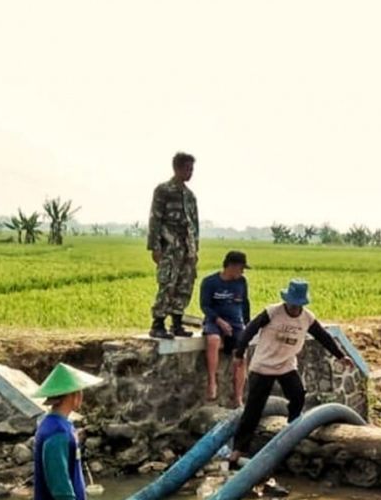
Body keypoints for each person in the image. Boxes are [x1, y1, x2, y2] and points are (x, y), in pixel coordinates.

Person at [228, 279, 354, 462]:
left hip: (286, 364)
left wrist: (340, 356)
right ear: (287, 300)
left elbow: (323, 336)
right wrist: (239, 353)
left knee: (298, 395)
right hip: (264, 365)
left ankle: (291, 430)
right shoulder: (272, 312)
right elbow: (250, 330)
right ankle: (239, 449)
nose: (295, 308)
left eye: (298, 305)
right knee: (253, 410)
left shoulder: (307, 318)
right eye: (292, 304)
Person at [32, 363, 104, 500]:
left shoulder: (63, 426)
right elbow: (59, 481)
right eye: (79, 392)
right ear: (73, 396)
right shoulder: (55, 432)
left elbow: (72, 475)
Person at [147, 151, 199, 340]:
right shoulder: (163, 190)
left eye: (192, 169)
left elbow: (195, 224)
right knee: (167, 283)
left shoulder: (190, 196)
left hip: (187, 248)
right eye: (187, 169)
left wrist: (195, 249)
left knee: (185, 284)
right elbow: (155, 219)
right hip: (170, 246)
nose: (190, 173)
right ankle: (158, 323)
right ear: (177, 168)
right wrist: (155, 247)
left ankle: (177, 323)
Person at [200, 250, 252, 405]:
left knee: (241, 355)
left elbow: (245, 303)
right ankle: (212, 382)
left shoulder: (241, 282)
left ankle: (238, 397)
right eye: (241, 268)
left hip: (235, 322)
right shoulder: (210, 282)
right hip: (214, 320)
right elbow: (205, 306)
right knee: (213, 340)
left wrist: (247, 325)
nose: (242, 272)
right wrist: (220, 321)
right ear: (232, 266)